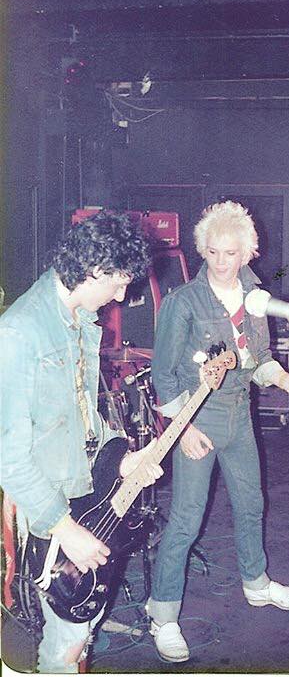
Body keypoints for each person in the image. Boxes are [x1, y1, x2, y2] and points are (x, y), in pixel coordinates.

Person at [147, 200, 289, 663]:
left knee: (251, 504)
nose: (222, 262)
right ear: (202, 249)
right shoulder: (184, 302)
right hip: (197, 418)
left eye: (231, 253)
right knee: (186, 519)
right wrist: (182, 429)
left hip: (239, 417)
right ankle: (162, 614)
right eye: (214, 252)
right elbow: (163, 375)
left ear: (247, 253)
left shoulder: (255, 297)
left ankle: (256, 583)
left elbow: (257, 361)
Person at [0, 211, 163, 673]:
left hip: (80, 490)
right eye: (118, 284)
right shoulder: (19, 333)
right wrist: (66, 530)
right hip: (42, 509)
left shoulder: (78, 319)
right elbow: (8, 457)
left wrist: (121, 457)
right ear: (93, 270)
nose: (122, 296)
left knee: (77, 629)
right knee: (62, 640)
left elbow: (82, 413)